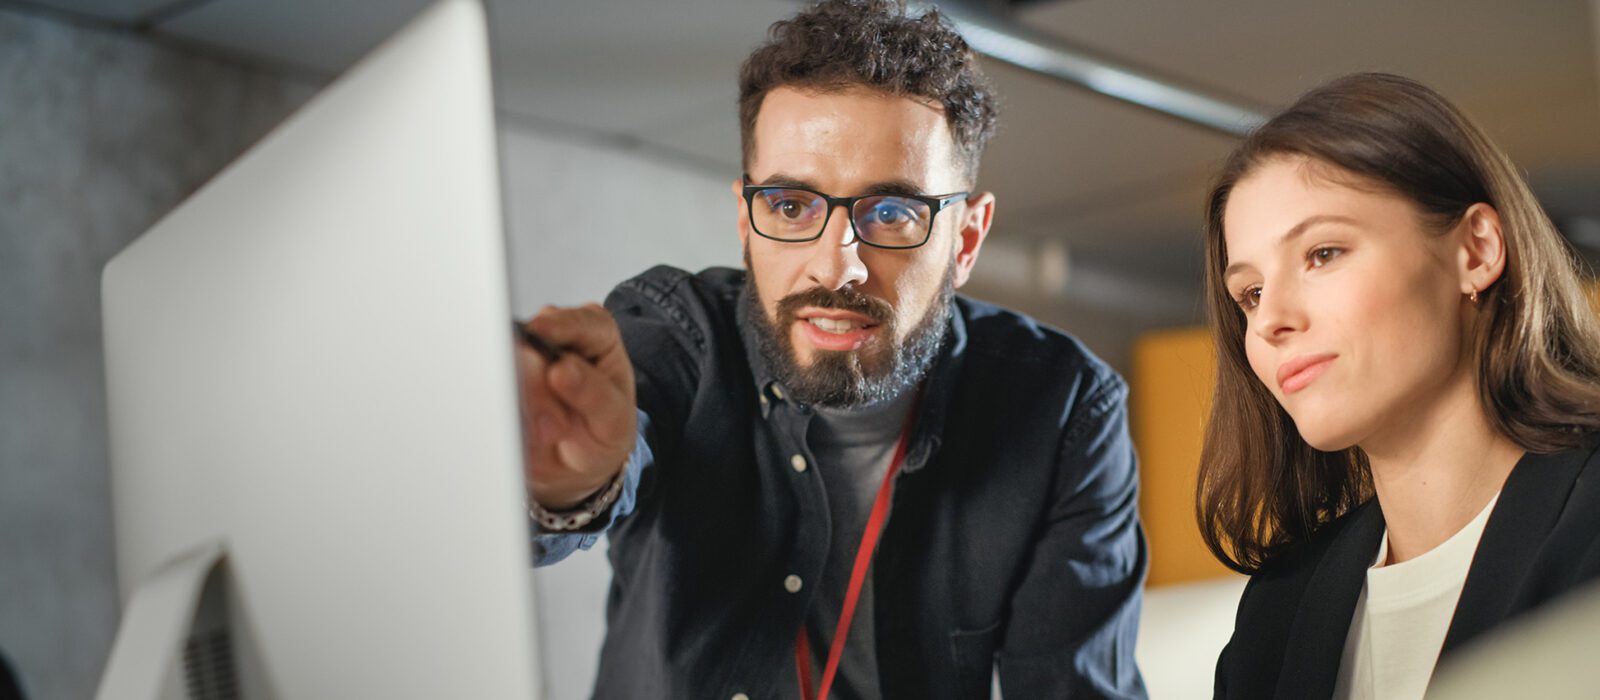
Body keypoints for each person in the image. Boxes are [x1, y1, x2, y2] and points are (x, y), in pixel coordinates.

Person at [514, 1, 1148, 698]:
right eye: (790, 206)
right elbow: (597, 472)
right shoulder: (676, 334)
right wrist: (570, 482)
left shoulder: (1062, 411)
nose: (836, 267)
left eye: (894, 213)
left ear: (965, 240)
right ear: (745, 220)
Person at [1199, 72, 1600, 699]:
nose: (1271, 319)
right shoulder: (1272, 619)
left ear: (1476, 250)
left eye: (1322, 253)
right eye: (1249, 294)